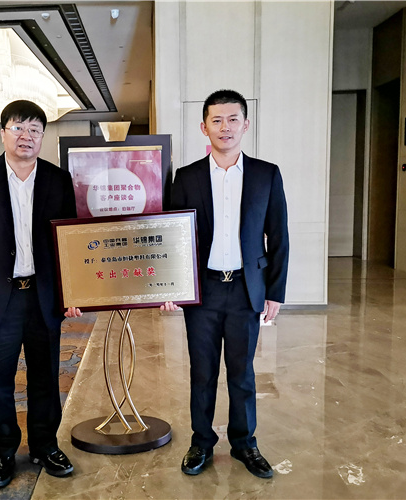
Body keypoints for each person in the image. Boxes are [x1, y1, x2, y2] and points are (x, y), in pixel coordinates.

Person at [0, 99, 82, 489]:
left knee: (45, 378)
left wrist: (73, 292)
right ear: (3, 133)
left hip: (43, 298)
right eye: (18, 128)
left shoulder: (58, 180)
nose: (27, 136)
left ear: (43, 137)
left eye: (35, 130)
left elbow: (70, 242)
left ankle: (44, 446)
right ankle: (2, 452)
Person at [162, 89, 289, 479]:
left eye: (233, 119)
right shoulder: (187, 177)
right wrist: (170, 287)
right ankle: (201, 442)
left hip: (247, 290)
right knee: (202, 372)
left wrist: (275, 291)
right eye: (216, 120)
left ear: (245, 124)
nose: (225, 127)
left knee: (242, 373)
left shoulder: (266, 174)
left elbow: (279, 236)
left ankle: (244, 443)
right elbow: (172, 237)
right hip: (204, 290)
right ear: (204, 127)